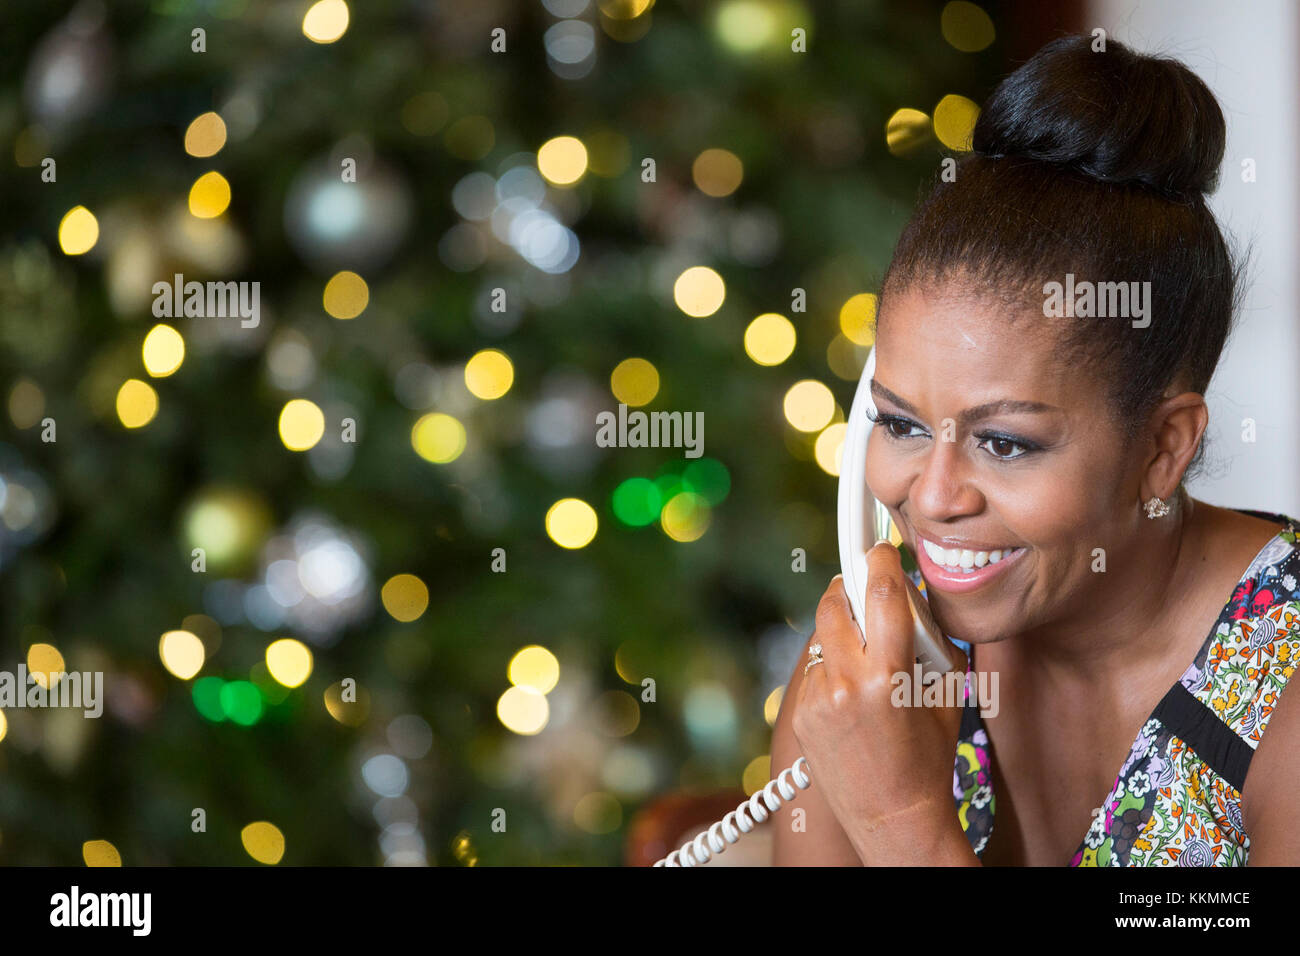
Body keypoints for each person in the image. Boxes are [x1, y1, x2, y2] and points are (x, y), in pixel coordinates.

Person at [770, 34, 1300, 866]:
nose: (935, 498)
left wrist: (902, 822)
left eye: (1005, 443)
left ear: (1163, 448)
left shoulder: (1285, 682)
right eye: (902, 424)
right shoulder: (877, 666)